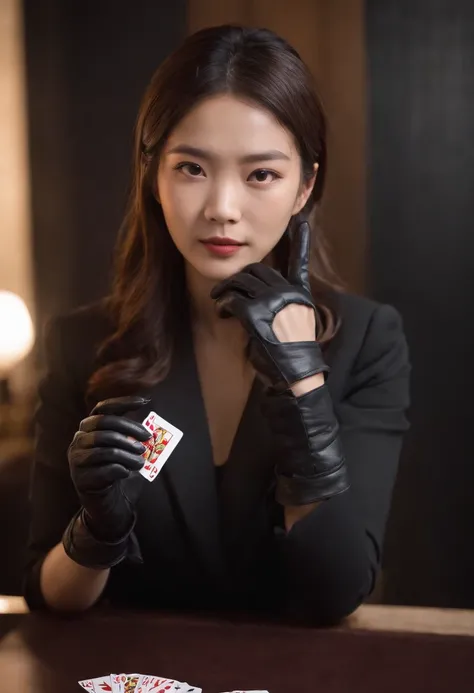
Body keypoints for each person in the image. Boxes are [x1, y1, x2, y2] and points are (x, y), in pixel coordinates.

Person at [24, 25, 410, 625]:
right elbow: (48, 594)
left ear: (305, 186)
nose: (222, 207)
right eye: (192, 169)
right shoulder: (83, 343)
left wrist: (302, 385)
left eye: (261, 175)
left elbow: (336, 593)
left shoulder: (366, 339)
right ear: (153, 175)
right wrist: (98, 529)